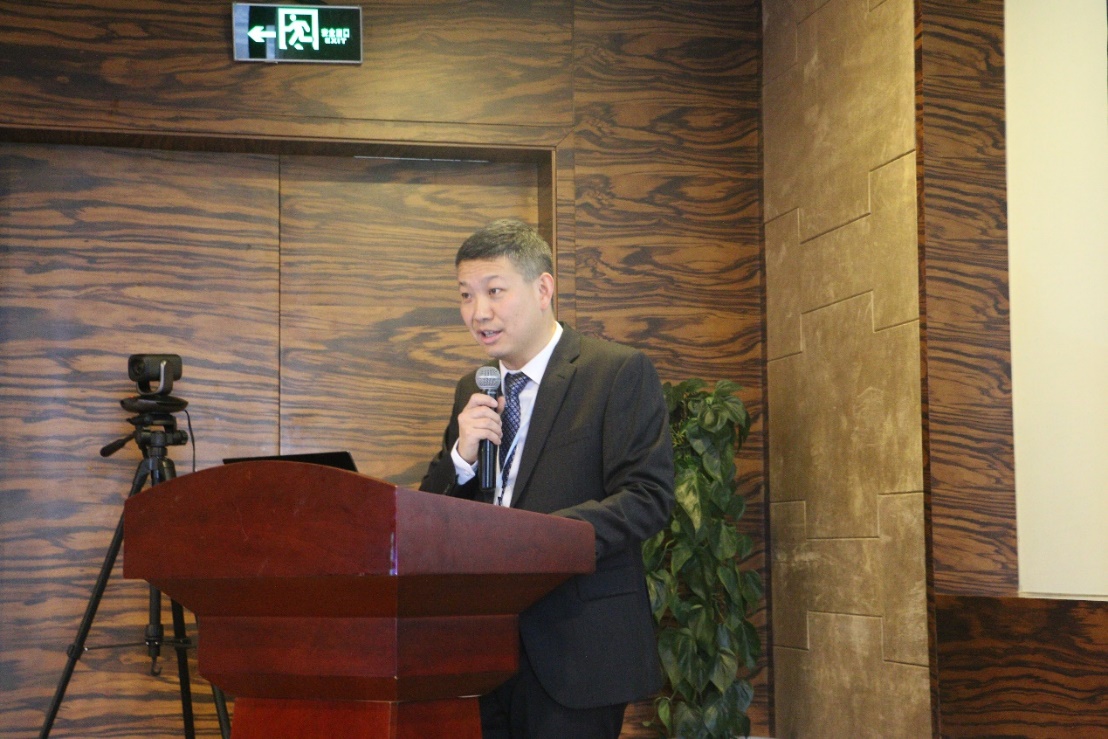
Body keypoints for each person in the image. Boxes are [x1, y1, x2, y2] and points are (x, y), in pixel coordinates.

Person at [420, 218, 675, 739]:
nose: (478, 312)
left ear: (543, 289)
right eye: (465, 295)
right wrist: (462, 455)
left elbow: (647, 497)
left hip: (577, 647)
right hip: (481, 652)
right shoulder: (474, 387)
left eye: (494, 291)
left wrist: (536, 542)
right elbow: (434, 511)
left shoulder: (614, 372)